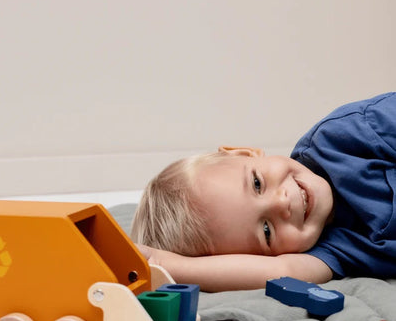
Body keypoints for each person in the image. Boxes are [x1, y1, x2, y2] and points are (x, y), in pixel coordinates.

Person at [131, 92, 396, 292]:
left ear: (245, 153)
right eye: (267, 231)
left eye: (257, 184)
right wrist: (164, 264)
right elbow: (282, 271)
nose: (281, 203)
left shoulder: (348, 136)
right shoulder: (333, 249)